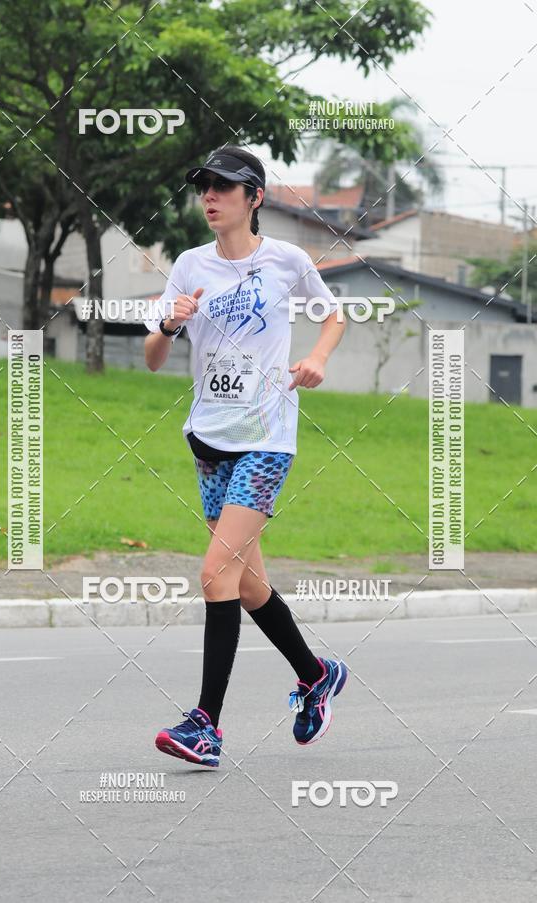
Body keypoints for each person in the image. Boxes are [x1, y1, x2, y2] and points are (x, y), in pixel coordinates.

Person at [144, 145, 347, 768]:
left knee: (215, 574)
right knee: (248, 584)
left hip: (266, 438)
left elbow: (334, 316)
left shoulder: (287, 260)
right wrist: (170, 324)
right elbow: (152, 358)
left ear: (254, 198)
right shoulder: (189, 264)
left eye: (223, 187)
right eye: (203, 187)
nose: (209, 197)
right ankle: (315, 674)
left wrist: (317, 359)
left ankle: (205, 724)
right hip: (209, 440)